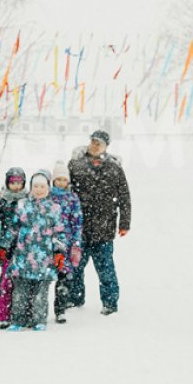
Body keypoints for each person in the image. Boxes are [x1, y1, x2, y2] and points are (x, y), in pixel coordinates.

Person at [67, 130, 131, 315]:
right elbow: (64, 190)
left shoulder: (114, 168)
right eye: (93, 141)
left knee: (106, 270)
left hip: (104, 228)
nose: (95, 145)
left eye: (99, 143)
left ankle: (110, 303)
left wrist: (125, 223)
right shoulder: (76, 164)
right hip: (79, 228)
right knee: (76, 267)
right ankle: (74, 298)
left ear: (106, 147)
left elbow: (124, 196)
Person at [0, 170, 68, 331]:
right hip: (23, 256)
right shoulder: (22, 205)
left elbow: (60, 232)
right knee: (20, 292)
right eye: (36, 186)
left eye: (42, 186)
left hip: (44, 257)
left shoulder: (54, 208)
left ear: (48, 188)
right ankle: (18, 320)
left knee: (40, 293)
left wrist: (59, 251)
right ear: (31, 187)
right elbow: (13, 228)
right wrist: (4, 245)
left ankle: (39, 320)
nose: (39, 189)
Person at [0, 167, 27, 329]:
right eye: (13, 182)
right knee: (5, 278)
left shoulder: (27, 200)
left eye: (19, 182)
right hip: (5, 244)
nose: (16, 186)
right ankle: (0, 307)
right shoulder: (0, 200)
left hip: (23, 245)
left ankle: (19, 309)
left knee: (21, 279)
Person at [51, 161, 83, 324]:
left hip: (68, 242)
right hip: (48, 242)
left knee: (64, 276)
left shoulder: (72, 198)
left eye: (64, 180)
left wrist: (76, 240)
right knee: (44, 276)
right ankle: (37, 307)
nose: (61, 183)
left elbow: (77, 221)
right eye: (58, 180)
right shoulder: (48, 196)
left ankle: (60, 309)